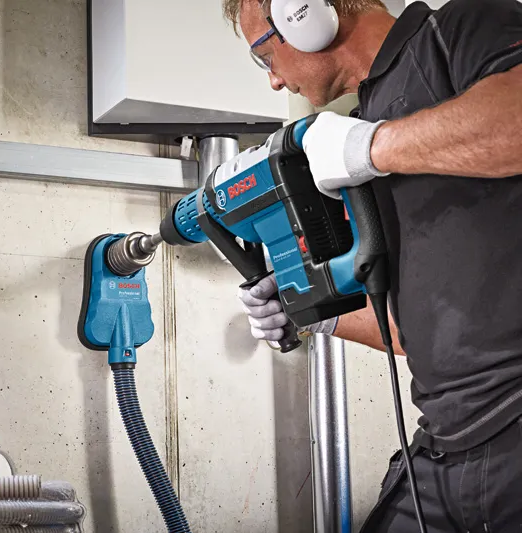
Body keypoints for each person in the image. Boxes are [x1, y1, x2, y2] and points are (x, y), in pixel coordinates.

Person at [224, 0, 522, 531]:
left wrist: (373, 148)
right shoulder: (360, 125)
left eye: (264, 54)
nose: (273, 80)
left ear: (304, 13)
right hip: (447, 445)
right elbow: (418, 334)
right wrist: (320, 316)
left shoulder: (458, 30)